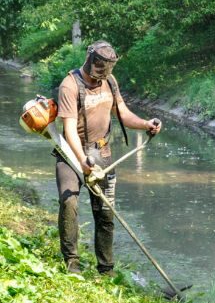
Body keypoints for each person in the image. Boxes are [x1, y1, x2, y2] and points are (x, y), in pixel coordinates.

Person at [56, 40, 161, 274]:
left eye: (107, 68)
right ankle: (72, 263)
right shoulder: (70, 85)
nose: (102, 73)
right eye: (99, 67)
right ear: (90, 60)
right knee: (68, 202)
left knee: (105, 213)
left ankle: (106, 269)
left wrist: (146, 123)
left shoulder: (110, 82)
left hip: (102, 153)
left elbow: (121, 113)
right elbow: (70, 129)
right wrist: (82, 160)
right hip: (72, 154)